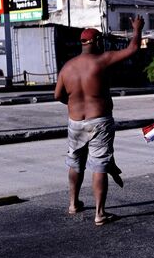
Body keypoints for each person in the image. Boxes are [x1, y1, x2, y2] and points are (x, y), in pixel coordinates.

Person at [54, 16, 145, 226]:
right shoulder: (102, 60)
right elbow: (133, 48)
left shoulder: (67, 67)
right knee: (99, 165)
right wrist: (137, 29)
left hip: (75, 122)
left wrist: (74, 104)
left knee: (76, 162)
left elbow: (57, 95)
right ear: (96, 42)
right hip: (99, 121)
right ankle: (99, 213)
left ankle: (73, 203)